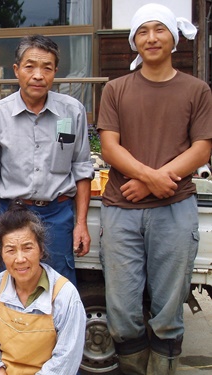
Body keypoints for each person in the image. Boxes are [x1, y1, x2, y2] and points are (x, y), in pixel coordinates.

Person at [97, 3, 212, 374]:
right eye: (143, 31)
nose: (151, 37)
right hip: (120, 209)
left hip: (175, 208)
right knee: (121, 308)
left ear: (173, 38)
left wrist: (152, 183)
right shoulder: (116, 89)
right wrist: (152, 177)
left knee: (168, 306)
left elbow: (202, 147)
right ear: (134, 40)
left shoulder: (196, 90)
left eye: (159, 29)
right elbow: (110, 147)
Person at [0, 35, 94, 285]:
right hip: (12, 215)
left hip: (58, 215)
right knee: (10, 288)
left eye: (46, 68)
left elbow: (82, 170)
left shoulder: (72, 112)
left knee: (58, 289)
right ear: (17, 70)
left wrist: (81, 223)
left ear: (55, 72)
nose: (38, 75)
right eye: (30, 67)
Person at [0, 199, 85, 375]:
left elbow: (65, 360)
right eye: (11, 250)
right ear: (1, 254)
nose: (20, 259)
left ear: (41, 250)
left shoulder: (65, 295)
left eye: (27, 248)